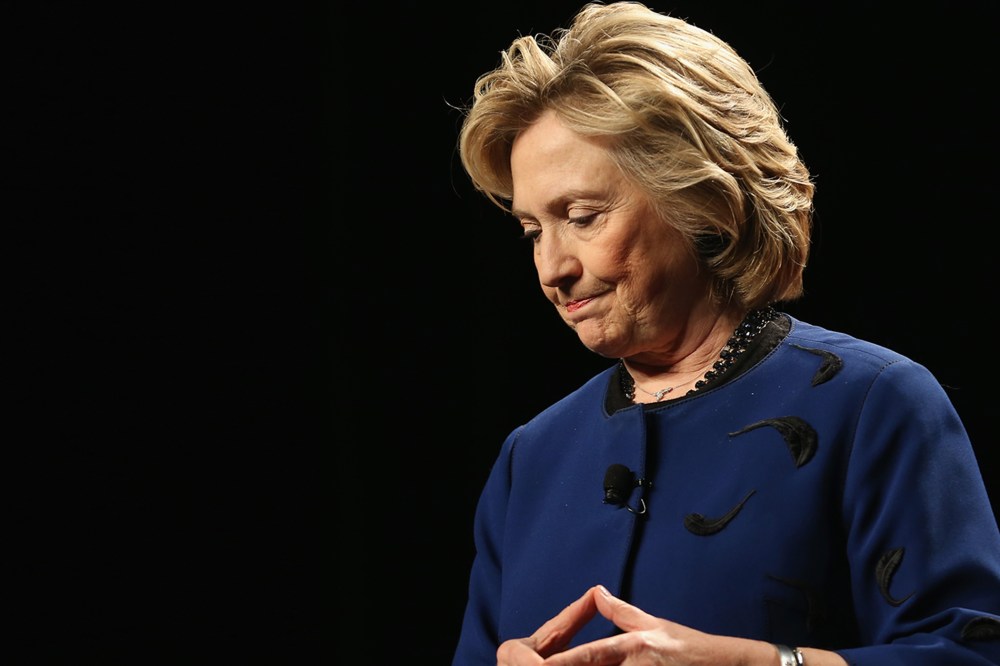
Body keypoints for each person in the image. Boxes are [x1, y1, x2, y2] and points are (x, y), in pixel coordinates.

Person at [449, 2, 1000, 665]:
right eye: (533, 231)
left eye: (584, 216)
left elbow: (971, 653)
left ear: (701, 200)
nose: (551, 269)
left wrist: (759, 663)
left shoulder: (872, 405)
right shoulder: (530, 458)